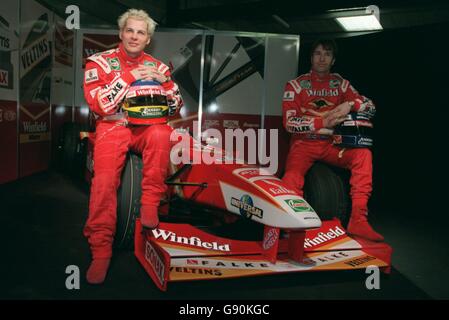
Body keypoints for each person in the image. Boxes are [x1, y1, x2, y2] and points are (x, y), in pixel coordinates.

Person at [82, 9, 183, 284]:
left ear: (148, 38)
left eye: (141, 32)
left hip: (146, 128)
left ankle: (150, 201)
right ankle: (100, 251)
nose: (134, 36)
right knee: (103, 183)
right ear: (120, 33)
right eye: (130, 30)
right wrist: (129, 77)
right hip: (111, 127)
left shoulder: (159, 66)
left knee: (163, 132)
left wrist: (168, 82)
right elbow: (99, 105)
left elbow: (176, 107)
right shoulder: (99, 62)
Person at [281, 39, 383, 242]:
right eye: (317, 53)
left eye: (327, 54)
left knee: (363, 154)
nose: (322, 58)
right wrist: (323, 121)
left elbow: (370, 107)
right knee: (291, 177)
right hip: (304, 144)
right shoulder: (295, 85)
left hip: (332, 144)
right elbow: (289, 123)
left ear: (333, 59)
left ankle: (358, 220)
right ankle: (290, 224)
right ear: (311, 58)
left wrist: (351, 104)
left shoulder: (340, 83)